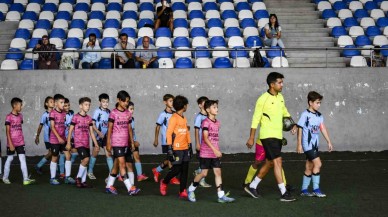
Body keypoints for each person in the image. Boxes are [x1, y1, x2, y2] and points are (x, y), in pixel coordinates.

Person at [245, 72, 297, 202]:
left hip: (278, 135)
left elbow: (284, 112)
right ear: (271, 84)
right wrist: (251, 137)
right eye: (279, 82)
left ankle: (252, 186)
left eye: (282, 82)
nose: (282, 85)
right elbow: (255, 119)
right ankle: (284, 193)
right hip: (267, 136)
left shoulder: (280, 97)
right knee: (277, 161)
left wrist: (292, 124)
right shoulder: (262, 99)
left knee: (269, 163)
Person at [187, 100, 235, 203]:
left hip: (215, 153)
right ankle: (191, 189)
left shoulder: (217, 123)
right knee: (204, 174)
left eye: (217, 107)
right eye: (214, 107)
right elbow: (205, 138)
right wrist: (214, 150)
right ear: (208, 110)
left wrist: (217, 150)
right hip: (205, 153)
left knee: (218, 172)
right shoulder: (205, 122)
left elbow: (215, 139)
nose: (216, 109)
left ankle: (221, 195)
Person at [297, 91, 334, 197]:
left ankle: (304, 190)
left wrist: (329, 141)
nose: (319, 105)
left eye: (320, 103)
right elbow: (300, 129)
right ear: (310, 102)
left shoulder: (319, 116)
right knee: (318, 164)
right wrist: (299, 144)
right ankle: (316, 189)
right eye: (317, 102)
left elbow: (322, 128)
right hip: (307, 145)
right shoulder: (305, 115)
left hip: (314, 145)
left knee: (309, 166)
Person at [105, 90, 140, 195]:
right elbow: (110, 129)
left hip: (126, 144)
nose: (126, 103)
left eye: (127, 101)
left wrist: (132, 143)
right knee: (122, 164)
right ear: (118, 100)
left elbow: (129, 129)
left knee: (116, 165)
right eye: (124, 101)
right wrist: (108, 143)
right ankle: (130, 188)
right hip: (116, 143)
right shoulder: (113, 113)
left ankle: (109, 186)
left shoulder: (128, 113)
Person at [160, 95, 192, 199]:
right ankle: (164, 182)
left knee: (185, 170)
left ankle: (182, 191)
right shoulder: (174, 118)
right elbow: (168, 133)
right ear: (183, 106)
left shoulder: (184, 118)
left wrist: (190, 145)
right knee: (177, 169)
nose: (187, 106)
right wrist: (169, 148)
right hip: (176, 149)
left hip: (185, 148)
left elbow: (186, 132)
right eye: (186, 104)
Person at [66, 97, 98, 188]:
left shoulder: (89, 118)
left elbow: (91, 132)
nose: (88, 107)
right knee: (86, 159)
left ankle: (83, 182)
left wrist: (96, 144)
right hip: (79, 143)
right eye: (86, 105)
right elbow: (70, 130)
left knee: (84, 161)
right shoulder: (75, 117)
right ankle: (78, 178)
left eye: (89, 105)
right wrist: (68, 142)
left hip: (86, 144)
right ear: (80, 106)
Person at [2, 98, 36, 185]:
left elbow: (20, 124)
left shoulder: (20, 116)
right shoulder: (8, 117)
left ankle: (25, 179)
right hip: (12, 143)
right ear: (14, 105)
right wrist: (10, 143)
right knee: (10, 159)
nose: (21, 107)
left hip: (20, 142)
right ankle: (5, 178)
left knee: (22, 159)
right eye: (20, 105)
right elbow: (7, 131)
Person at [151, 94, 180, 185]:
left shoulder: (175, 114)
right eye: (170, 101)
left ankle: (157, 170)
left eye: (173, 101)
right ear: (165, 102)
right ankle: (172, 177)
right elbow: (157, 127)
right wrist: (156, 139)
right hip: (166, 140)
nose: (172, 103)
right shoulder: (163, 114)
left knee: (171, 159)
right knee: (172, 159)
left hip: (175, 140)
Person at [49, 94, 75, 185]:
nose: (63, 104)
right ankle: (52, 178)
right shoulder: (52, 113)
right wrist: (58, 138)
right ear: (56, 103)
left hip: (63, 139)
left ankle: (67, 177)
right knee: (55, 157)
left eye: (64, 102)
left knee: (68, 155)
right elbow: (52, 127)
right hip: (54, 140)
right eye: (61, 102)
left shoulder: (64, 113)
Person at [88, 93, 112, 180]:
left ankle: (111, 174)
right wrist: (98, 132)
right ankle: (90, 171)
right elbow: (92, 124)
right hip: (97, 137)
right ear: (100, 102)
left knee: (108, 153)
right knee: (95, 152)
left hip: (106, 137)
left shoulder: (109, 112)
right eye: (103, 102)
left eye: (107, 102)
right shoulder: (97, 111)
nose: (105, 103)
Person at [193, 96, 212, 188]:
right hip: (201, 143)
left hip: (208, 143)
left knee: (206, 161)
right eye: (204, 103)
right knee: (204, 162)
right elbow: (196, 130)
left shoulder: (209, 116)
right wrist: (197, 143)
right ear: (200, 105)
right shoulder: (199, 117)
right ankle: (201, 181)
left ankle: (198, 171)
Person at [128, 101, 149, 182]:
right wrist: (132, 142)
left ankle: (139, 175)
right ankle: (119, 175)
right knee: (125, 161)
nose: (132, 111)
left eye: (133, 109)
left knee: (137, 157)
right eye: (130, 109)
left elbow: (132, 132)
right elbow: (126, 133)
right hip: (127, 143)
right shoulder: (125, 119)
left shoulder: (132, 119)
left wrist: (134, 141)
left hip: (133, 142)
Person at [58, 98, 78, 179]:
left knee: (75, 153)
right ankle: (62, 172)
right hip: (63, 137)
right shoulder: (60, 114)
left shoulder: (72, 113)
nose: (67, 107)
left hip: (72, 136)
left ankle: (67, 170)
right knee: (64, 155)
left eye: (68, 105)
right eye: (65, 105)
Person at [35, 96, 54, 175]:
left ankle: (55, 168)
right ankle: (38, 165)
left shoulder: (56, 113)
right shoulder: (45, 115)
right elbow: (40, 126)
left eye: (53, 101)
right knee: (52, 152)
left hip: (55, 137)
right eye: (51, 102)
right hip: (48, 137)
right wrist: (37, 136)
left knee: (54, 153)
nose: (53, 103)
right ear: (46, 104)